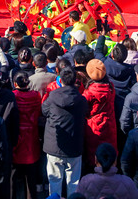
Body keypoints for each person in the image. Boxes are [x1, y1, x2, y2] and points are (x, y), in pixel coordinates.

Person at [41, 66, 88, 197]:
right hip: (74, 146)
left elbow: (44, 111)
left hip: (54, 145)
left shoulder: (52, 97)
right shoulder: (81, 99)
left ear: (60, 80)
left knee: (54, 180)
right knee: (73, 182)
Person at [11, 72, 41, 199]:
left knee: (12, 178)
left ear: (15, 83)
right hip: (31, 139)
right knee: (31, 180)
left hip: (16, 141)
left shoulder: (13, 96)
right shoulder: (36, 96)